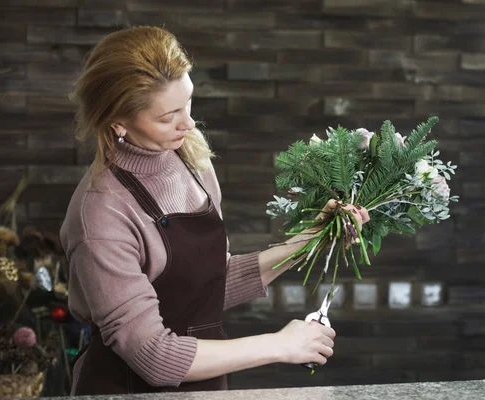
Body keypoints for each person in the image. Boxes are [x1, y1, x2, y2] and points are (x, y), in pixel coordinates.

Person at [60, 25, 370, 395]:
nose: (188, 123)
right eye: (167, 116)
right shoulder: (101, 215)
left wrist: (309, 242)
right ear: (117, 122)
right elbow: (154, 357)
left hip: (203, 386)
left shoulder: (189, 159)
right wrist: (280, 345)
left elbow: (206, 286)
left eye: (188, 101)